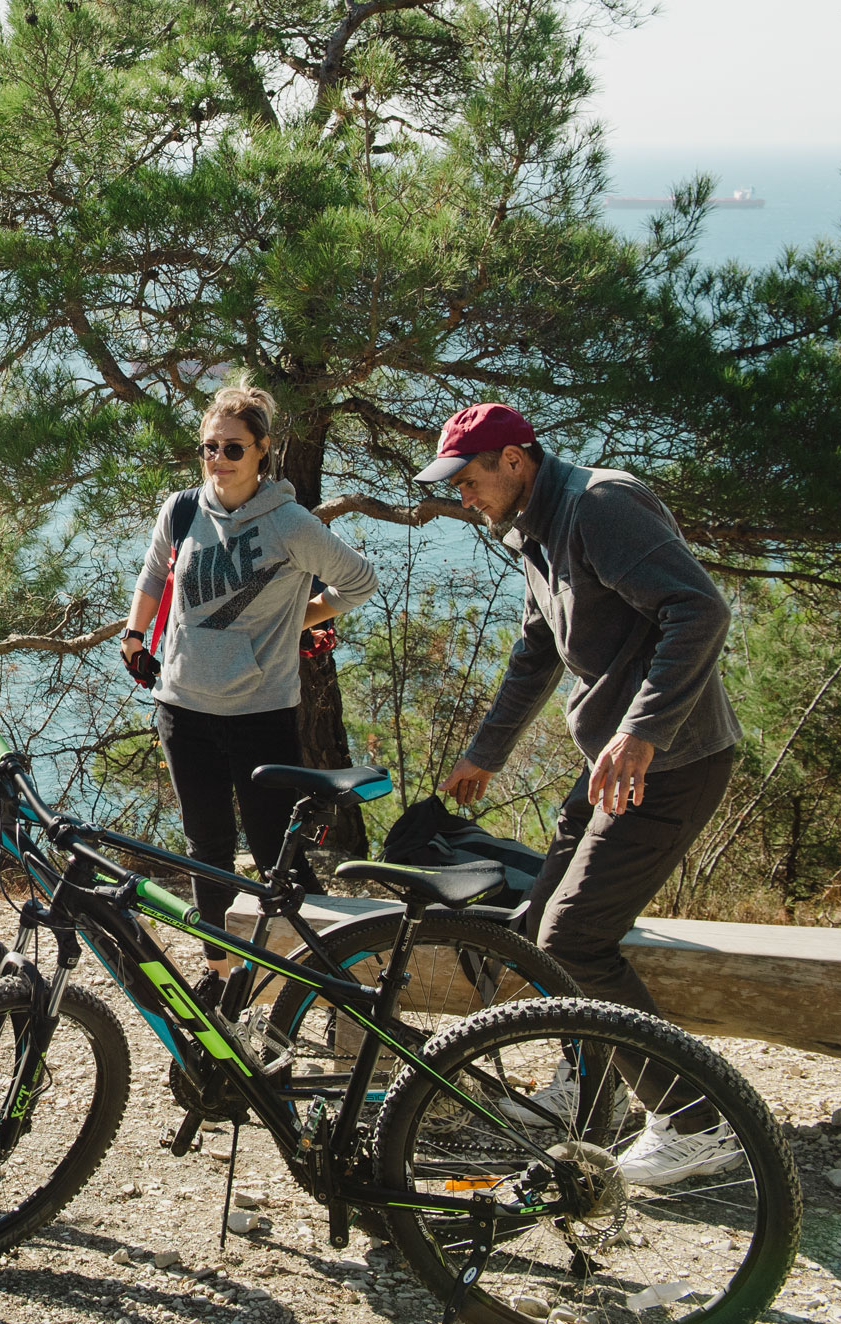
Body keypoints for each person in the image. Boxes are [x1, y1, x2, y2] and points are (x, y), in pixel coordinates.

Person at [425, 402, 743, 1186]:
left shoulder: (601, 505)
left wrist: (643, 731)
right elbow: (537, 651)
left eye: (468, 482)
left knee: (574, 937)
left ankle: (697, 1123)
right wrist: (485, 754)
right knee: (536, 923)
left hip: (672, 763)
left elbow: (699, 611)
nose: (462, 500)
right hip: (616, 761)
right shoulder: (534, 525)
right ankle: (591, 1091)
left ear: (514, 460)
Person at [118, 384, 378, 982]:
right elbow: (154, 571)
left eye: (233, 448)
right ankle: (221, 969)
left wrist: (298, 619)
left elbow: (359, 582)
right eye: (209, 446)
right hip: (182, 708)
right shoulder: (181, 510)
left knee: (273, 853)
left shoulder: (290, 523)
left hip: (262, 712)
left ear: (262, 450)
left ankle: (324, 975)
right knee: (205, 849)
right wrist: (135, 636)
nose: (218, 459)